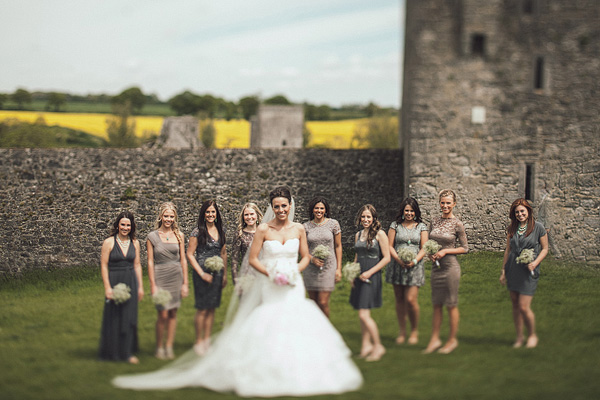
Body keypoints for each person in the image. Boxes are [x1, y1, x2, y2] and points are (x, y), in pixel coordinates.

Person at [113, 186, 363, 397]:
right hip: (271, 282)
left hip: (293, 283)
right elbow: (253, 259)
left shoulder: (299, 228)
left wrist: (295, 272)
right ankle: (264, 369)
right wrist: (272, 274)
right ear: (271, 207)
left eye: (284, 206)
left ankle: (298, 368)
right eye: (276, 206)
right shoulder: (264, 230)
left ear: (290, 206)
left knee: (295, 321)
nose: (281, 210)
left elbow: (306, 256)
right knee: (271, 320)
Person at [423, 189, 468, 355]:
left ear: (454, 204)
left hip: (450, 268)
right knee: (436, 304)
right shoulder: (434, 221)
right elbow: (428, 242)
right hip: (436, 267)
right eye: (443, 202)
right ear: (439, 203)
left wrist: (445, 252)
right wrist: (430, 253)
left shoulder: (458, 224)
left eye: (448, 203)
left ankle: (452, 340)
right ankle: (434, 339)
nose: (445, 205)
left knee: (450, 304)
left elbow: (465, 248)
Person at [500, 198, 548, 348]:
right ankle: (520, 337)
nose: (520, 214)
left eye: (522, 211)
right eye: (517, 212)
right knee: (515, 304)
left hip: (529, 269)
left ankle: (532, 335)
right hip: (513, 268)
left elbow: (545, 248)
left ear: (528, 211)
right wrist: (503, 270)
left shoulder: (538, 227)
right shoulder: (512, 228)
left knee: (523, 307)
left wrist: (535, 262)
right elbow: (508, 250)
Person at [98, 211, 144, 364]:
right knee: (114, 316)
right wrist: (107, 288)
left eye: (128, 225)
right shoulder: (109, 242)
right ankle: (112, 351)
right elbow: (104, 266)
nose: (125, 228)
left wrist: (140, 287)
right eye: (123, 224)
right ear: (117, 225)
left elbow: (137, 265)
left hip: (131, 280)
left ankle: (127, 352)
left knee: (129, 317)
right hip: (115, 280)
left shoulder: (135, 243)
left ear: (132, 227)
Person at [147, 202, 188, 360]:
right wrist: (152, 285)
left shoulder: (180, 235)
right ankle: (159, 346)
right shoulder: (152, 236)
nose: (168, 219)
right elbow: (150, 261)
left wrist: (185, 283)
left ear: (175, 218)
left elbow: (183, 260)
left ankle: (169, 346)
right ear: (161, 216)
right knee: (162, 314)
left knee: (172, 312)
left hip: (176, 275)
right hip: (160, 275)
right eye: (166, 216)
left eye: (171, 216)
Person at [349, 204, 390, 362]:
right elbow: (357, 256)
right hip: (359, 275)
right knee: (362, 312)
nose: (365, 220)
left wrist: (370, 272)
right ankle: (366, 345)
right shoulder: (358, 234)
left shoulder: (380, 234)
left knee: (364, 314)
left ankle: (378, 345)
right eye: (363, 217)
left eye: (368, 217)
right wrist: (353, 274)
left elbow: (386, 258)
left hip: (371, 276)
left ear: (373, 218)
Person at [186, 200, 227, 355]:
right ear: (204, 214)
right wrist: (201, 273)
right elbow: (190, 254)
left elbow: (223, 253)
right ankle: (198, 341)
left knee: (212, 308)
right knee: (202, 308)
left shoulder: (221, 231)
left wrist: (224, 275)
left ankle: (207, 340)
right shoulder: (197, 232)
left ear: (216, 214)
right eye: (208, 212)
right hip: (202, 272)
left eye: (213, 212)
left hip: (217, 273)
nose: (210, 214)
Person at [387, 197, 428, 345]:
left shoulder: (421, 227)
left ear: (415, 212)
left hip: (415, 266)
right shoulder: (395, 226)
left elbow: (424, 247)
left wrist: (415, 261)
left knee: (410, 300)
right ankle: (402, 331)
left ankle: (415, 330)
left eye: (411, 211)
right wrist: (398, 260)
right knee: (399, 299)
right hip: (397, 265)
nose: (409, 213)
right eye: (407, 211)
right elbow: (389, 245)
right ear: (403, 212)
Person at [303, 196, 343, 317]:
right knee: (313, 303)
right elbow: (303, 249)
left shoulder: (333, 224)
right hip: (310, 267)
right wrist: (312, 259)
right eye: (316, 208)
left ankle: (326, 332)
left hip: (328, 266)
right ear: (312, 210)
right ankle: (314, 331)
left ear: (325, 210)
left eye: (321, 208)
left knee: (323, 301)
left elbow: (338, 246)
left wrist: (339, 268)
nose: (319, 211)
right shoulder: (305, 227)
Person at [230, 202, 262, 285]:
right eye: (246, 215)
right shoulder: (240, 234)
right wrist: (236, 281)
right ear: (243, 217)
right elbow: (234, 260)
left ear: (257, 215)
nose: (249, 217)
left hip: (263, 275)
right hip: (247, 276)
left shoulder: (264, 232)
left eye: (252, 214)